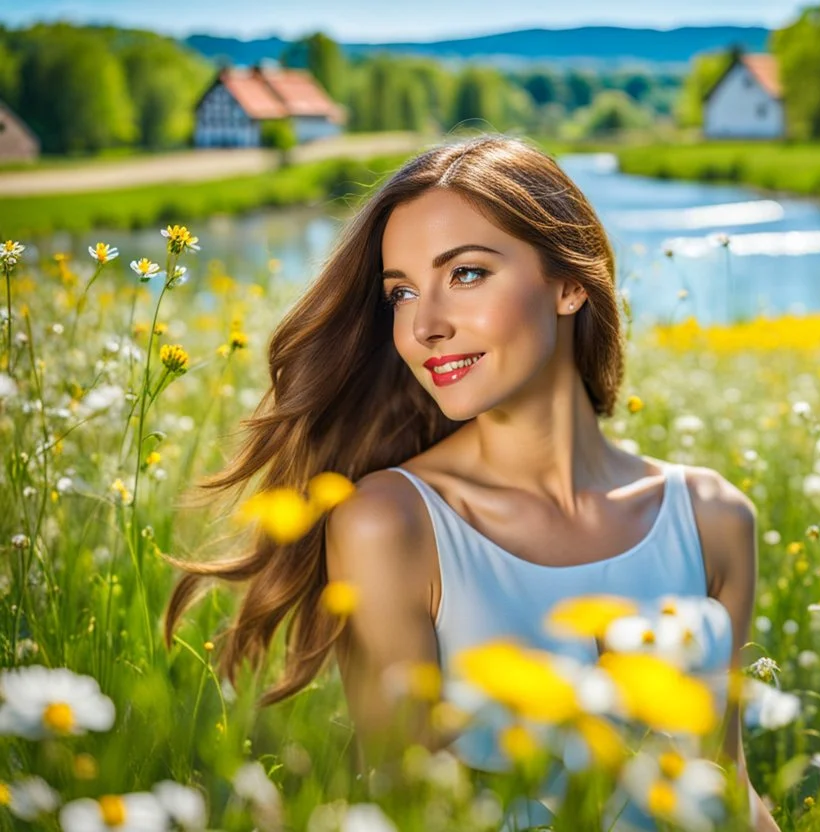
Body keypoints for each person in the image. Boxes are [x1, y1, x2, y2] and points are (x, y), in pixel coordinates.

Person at [164, 133, 781, 832]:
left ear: (570, 283)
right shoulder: (390, 524)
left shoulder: (712, 518)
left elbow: (726, 781)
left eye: (465, 275)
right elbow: (407, 805)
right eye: (400, 292)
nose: (424, 325)